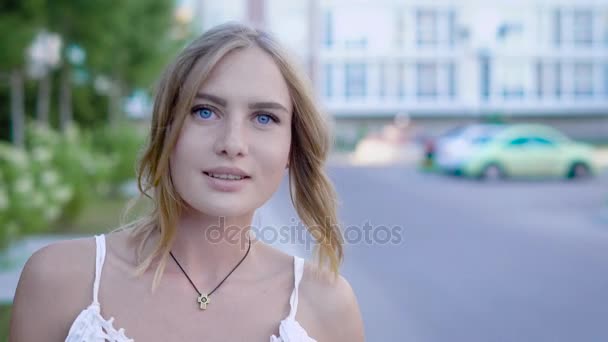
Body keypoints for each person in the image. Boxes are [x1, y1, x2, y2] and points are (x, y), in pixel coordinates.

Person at [9, 22, 365, 341]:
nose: (232, 144)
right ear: (168, 130)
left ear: (292, 146)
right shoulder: (61, 280)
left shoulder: (327, 306)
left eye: (264, 117)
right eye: (205, 111)